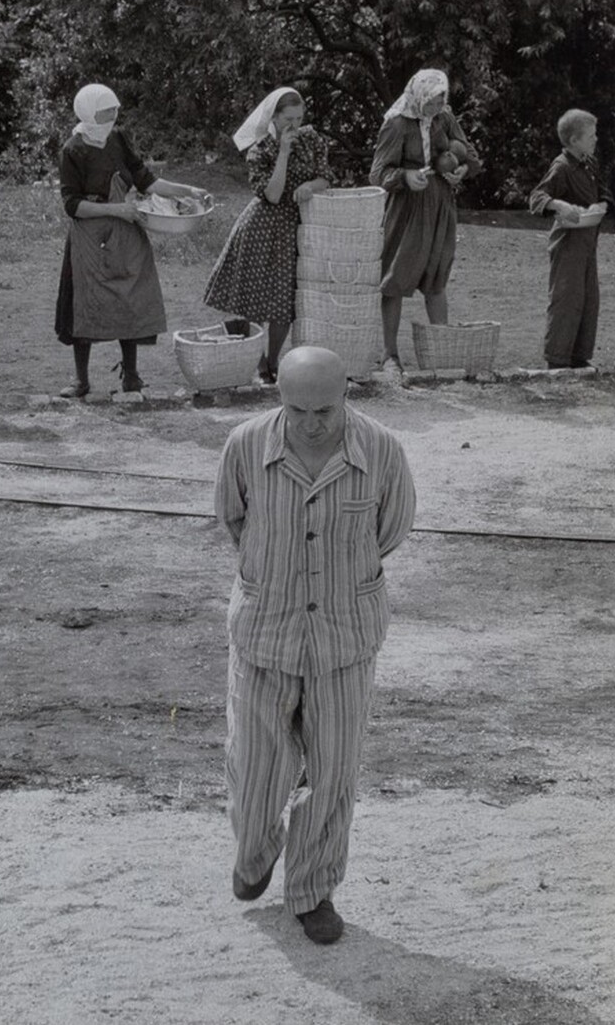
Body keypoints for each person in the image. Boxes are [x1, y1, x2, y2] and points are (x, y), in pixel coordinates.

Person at [214, 346, 415, 945]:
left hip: (345, 638)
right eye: (298, 409)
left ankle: (312, 890)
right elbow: (233, 520)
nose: (312, 423)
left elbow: (393, 527)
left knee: (332, 774)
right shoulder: (245, 445)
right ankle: (256, 852)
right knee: (254, 768)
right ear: (278, 396)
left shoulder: (380, 449)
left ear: (346, 394)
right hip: (265, 631)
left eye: (325, 408)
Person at [56, 83, 209, 397]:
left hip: (125, 228)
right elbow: (72, 206)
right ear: (88, 111)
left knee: (130, 297)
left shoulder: (117, 139)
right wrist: (116, 210)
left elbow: (146, 179)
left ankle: (131, 375)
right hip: (90, 234)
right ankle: (81, 380)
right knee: (85, 304)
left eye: (114, 108)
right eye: (105, 110)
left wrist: (188, 191)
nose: (113, 114)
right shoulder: (73, 150)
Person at [203, 87, 333, 384]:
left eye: (299, 118)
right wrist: (284, 153)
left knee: (283, 301)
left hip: (294, 227)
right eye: (288, 119)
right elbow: (273, 195)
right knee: (253, 298)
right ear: (273, 117)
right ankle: (258, 363)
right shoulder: (260, 150)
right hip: (261, 227)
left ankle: (274, 361)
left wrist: (311, 186)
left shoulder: (312, 139)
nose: (295, 125)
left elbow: (325, 177)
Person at [369, 68, 481, 378]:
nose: (436, 106)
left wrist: (462, 167)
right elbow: (377, 173)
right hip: (406, 208)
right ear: (418, 96)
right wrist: (404, 176)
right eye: (431, 101)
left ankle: (441, 353)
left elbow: (469, 153)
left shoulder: (445, 117)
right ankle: (389, 355)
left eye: (441, 99)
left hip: (440, 203)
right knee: (395, 278)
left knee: (437, 277)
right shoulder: (396, 124)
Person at [528, 108, 614, 369]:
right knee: (566, 298)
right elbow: (537, 197)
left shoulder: (589, 163)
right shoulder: (562, 166)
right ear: (574, 140)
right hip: (567, 243)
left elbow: (605, 192)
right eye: (591, 136)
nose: (596, 139)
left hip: (588, 241)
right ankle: (557, 359)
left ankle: (579, 356)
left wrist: (602, 205)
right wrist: (559, 205)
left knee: (588, 299)